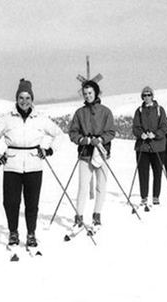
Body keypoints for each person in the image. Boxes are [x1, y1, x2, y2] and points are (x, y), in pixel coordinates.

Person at [0, 78, 62, 250]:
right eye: (21, 97)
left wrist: (49, 150)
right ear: (16, 99)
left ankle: (31, 234)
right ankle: (13, 232)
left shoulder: (40, 118)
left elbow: (59, 134)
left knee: (32, 203)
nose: (24, 101)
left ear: (32, 99)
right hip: (11, 164)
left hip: (34, 164)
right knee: (10, 202)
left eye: (28, 98)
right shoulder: (7, 119)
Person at [67, 80, 115, 229]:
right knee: (83, 186)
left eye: (90, 93)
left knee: (101, 186)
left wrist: (100, 139)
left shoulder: (106, 111)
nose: (87, 96)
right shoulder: (80, 113)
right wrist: (84, 140)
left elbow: (111, 132)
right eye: (85, 93)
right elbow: (73, 132)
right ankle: (79, 217)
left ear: (96, 93)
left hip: (101, 152)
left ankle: (97, 215)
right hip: (85, 154)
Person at [132, 86, 167, 209]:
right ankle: (144, 197)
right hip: (142, 146)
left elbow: (164, 126)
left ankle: (156, 196)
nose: (147, 97)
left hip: (157, 146)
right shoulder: (139, 110)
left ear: (152, 96)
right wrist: (140, 134)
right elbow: (135, 127)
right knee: (143, 172)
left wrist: (155, 134)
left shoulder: (159, 110)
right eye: (145, 95)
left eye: (149, 95)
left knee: (157, 172)